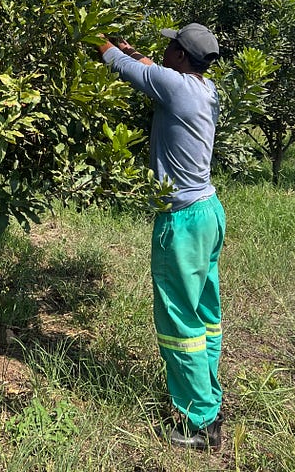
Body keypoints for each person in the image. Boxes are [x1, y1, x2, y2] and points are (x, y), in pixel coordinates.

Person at [97, 23, 225, 452]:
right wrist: (138, 55)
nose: (164, 49)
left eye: (172, 45)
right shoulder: (205, 90)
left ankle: (199, 424)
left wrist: (89, 33)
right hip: (209, 210)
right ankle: (210, 398)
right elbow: (150, 68)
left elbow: (109, 57)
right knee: (205, 311)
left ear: (183, 58)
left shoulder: (173, 87)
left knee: (179, 321)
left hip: (183, 221)